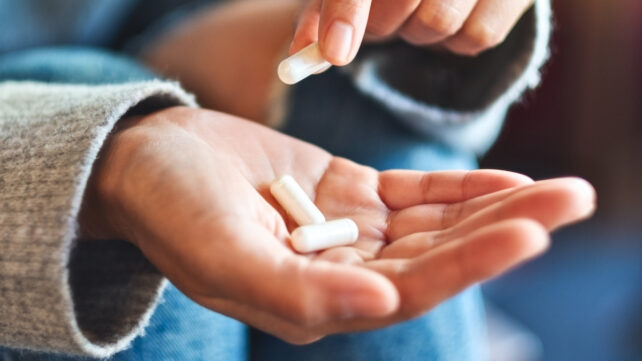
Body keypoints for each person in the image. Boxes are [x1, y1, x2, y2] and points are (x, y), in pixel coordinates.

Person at [0, 0, 595, 360]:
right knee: (142, 255)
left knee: (387, 143)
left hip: (168, 63)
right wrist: (98, 167)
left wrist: (413, 34)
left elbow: (154, 23)